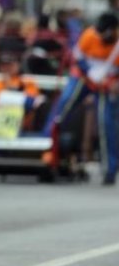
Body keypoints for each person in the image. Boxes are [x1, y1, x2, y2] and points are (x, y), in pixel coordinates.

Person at [45, 12, 119, 185]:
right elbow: (77, 58)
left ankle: (110, 169)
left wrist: (113, 83)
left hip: (108, 84)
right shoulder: (89, 35)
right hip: (84, 78)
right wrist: (90, 74)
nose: (101, 36)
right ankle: (48, 149)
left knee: (106, 122)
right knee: (63, 107)